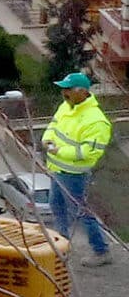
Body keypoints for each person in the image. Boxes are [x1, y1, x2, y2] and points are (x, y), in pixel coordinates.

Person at [43, 71, 113, 264]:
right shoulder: (66, 107)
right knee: (56, 206)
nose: (63, 93)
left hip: (74, 175)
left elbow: (89, 152)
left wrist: (58, 151)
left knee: (80, 212)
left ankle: (101, 251)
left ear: (82, 92)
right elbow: (53, 125)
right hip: (58, 170)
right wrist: (46, 139)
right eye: (62, 89)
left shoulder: (96, 121)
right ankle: (61, 243)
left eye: (67, 89)